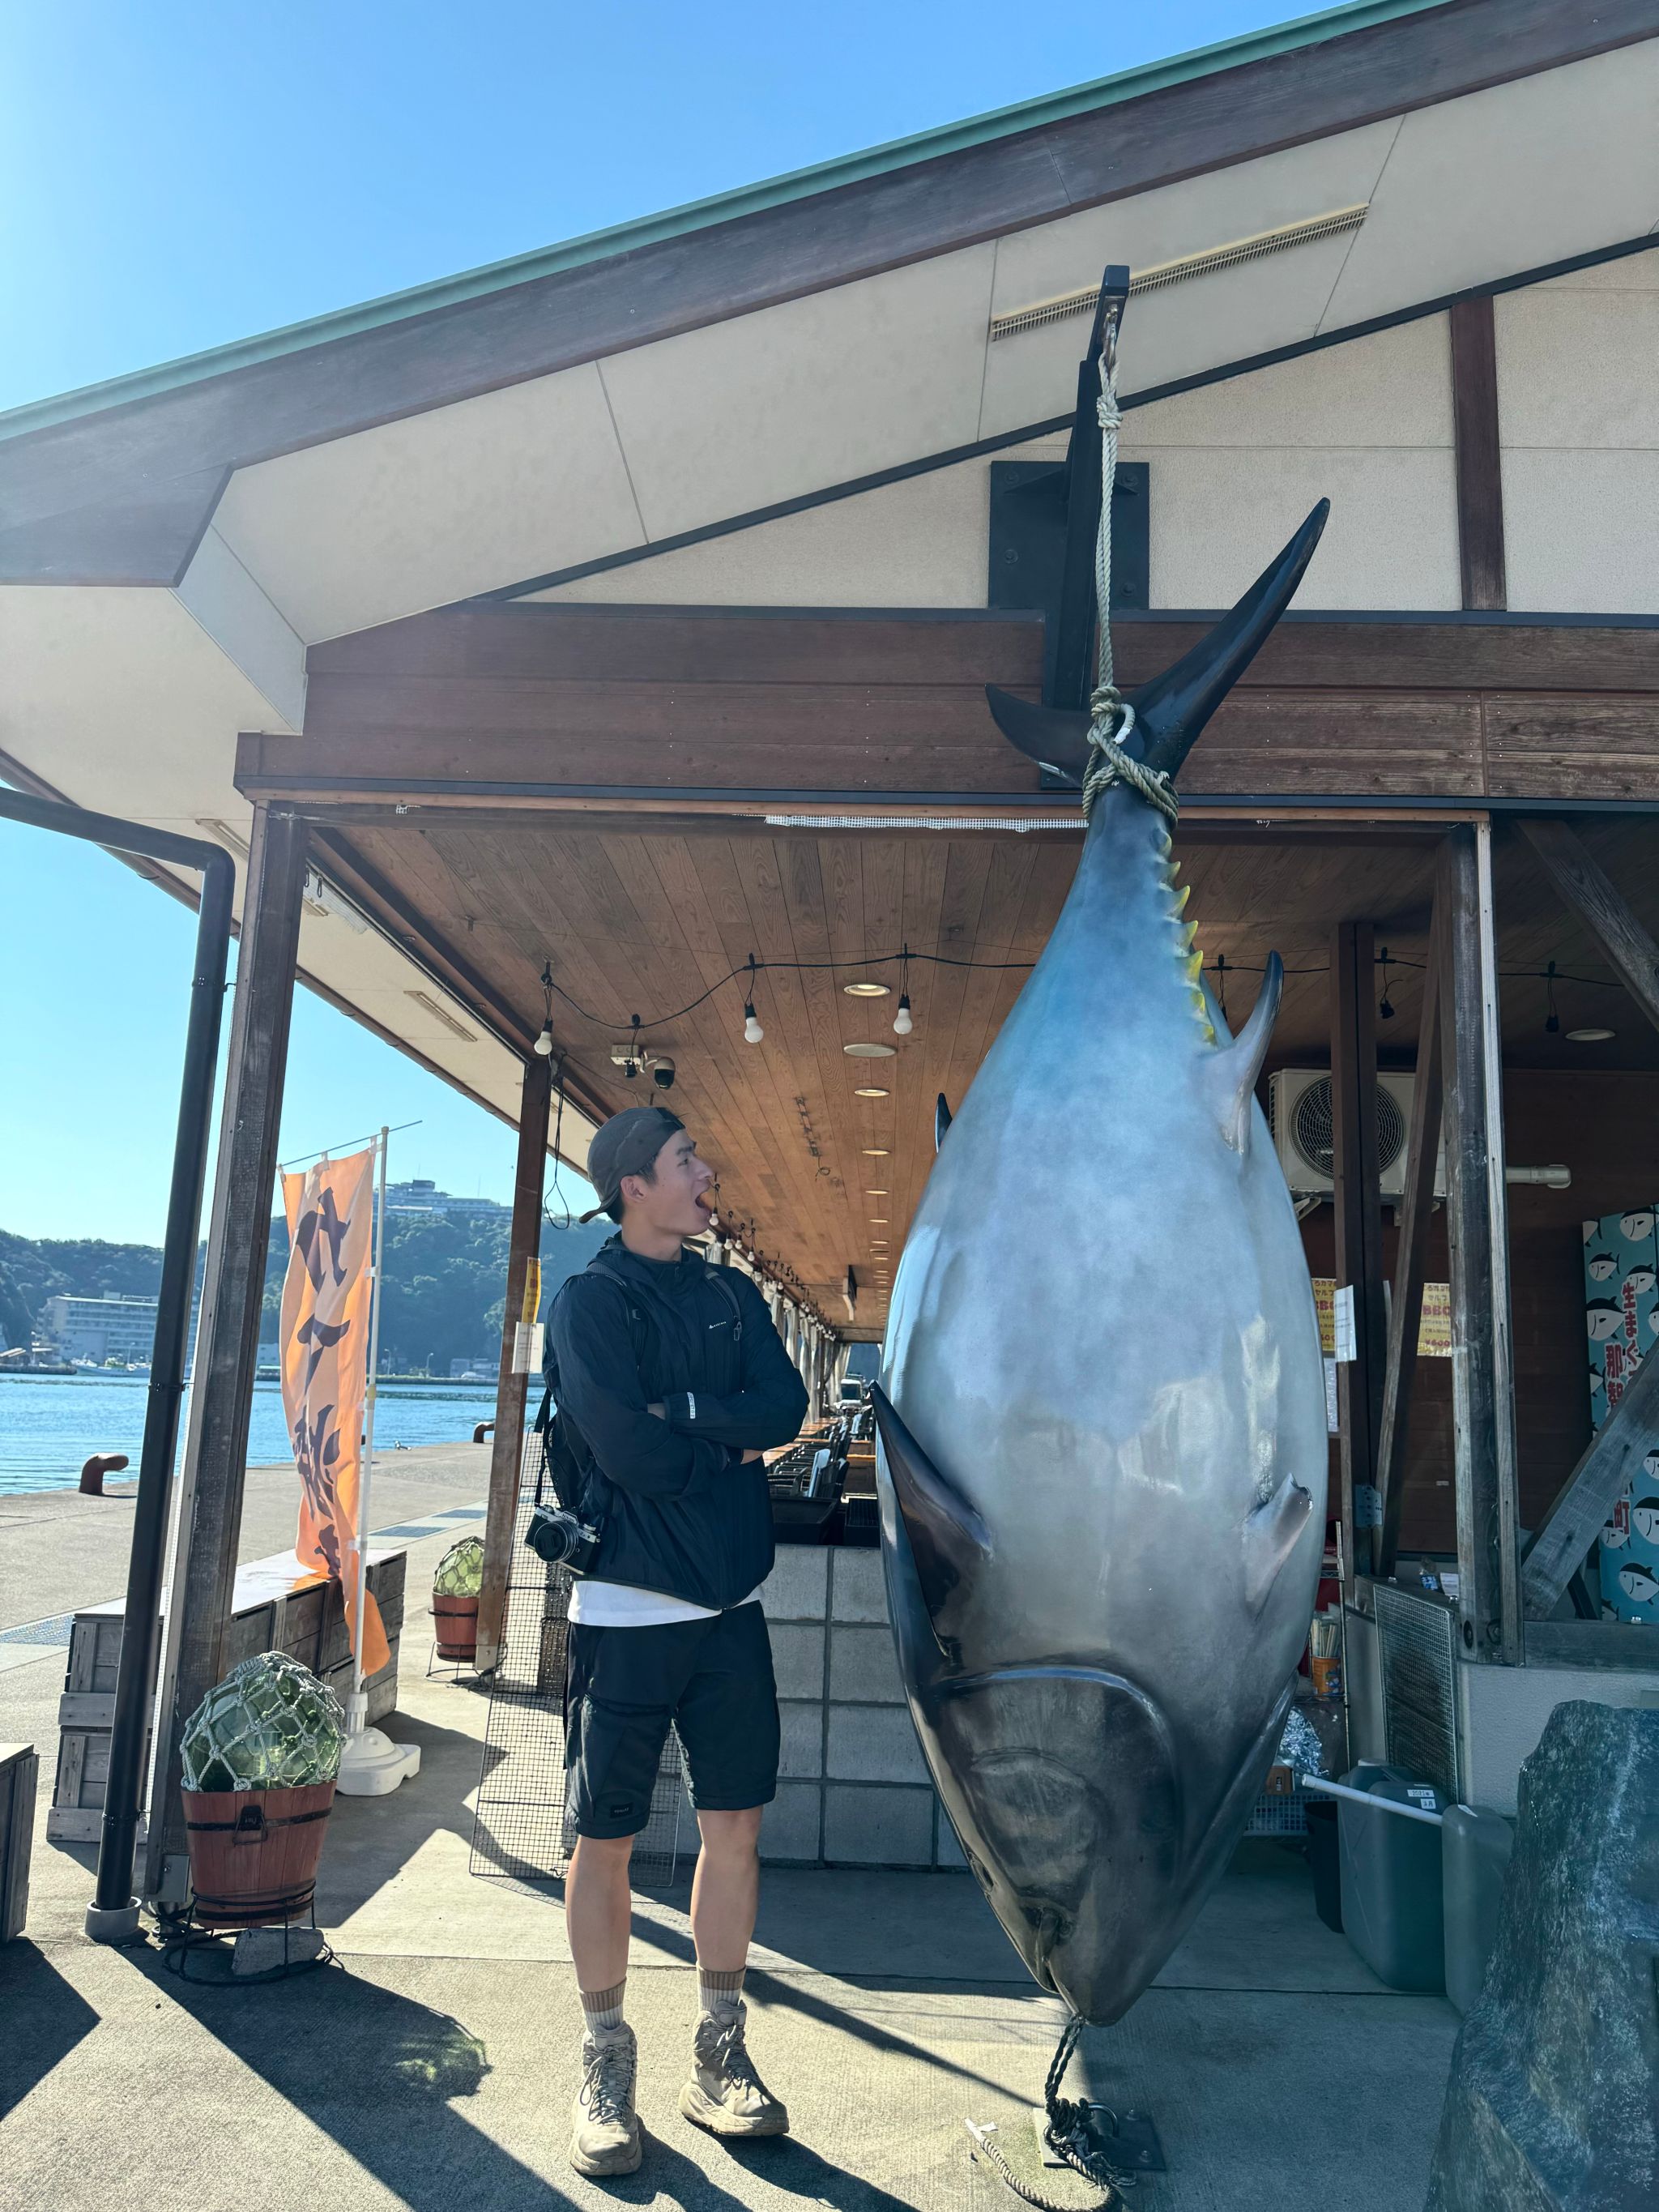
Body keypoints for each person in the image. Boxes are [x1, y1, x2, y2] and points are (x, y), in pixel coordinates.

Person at [547, 1104, 809, 2178]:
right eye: (685, 1159)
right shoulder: (590, 1299)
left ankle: (720, 2052)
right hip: (623, 1613)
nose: (707, 1173)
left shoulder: (732, 1294)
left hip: (730, 1611)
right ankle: (605, 2062)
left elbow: (783, 1405)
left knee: (734, 1827)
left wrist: (688, 1414)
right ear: (634, 1186)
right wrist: (725, 1452)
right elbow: (622, 1449)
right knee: (603, 1840)